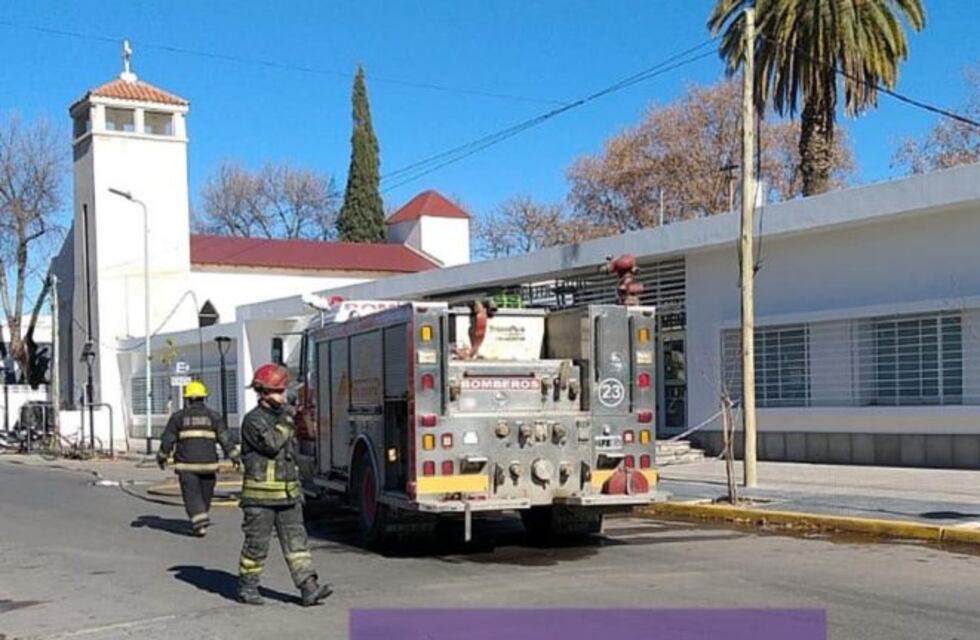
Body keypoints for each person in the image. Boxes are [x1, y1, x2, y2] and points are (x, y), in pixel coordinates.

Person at [236, 363, 332, 607]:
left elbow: (303, 436)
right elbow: (272, 443)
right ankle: (248, 587)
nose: (283, 395)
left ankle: (309, 588)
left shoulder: (284, 417)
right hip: (260, 500)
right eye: (278, 391)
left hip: (288, 495)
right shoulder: (253, 421)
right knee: (257, 545)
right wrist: (289, 418)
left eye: (283, 390)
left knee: (297, 544)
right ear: (263, 392)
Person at [157, 380, 241, 537]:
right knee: (205, 495)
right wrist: (235, 457)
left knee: (192, 495)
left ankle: (199, 521)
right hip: (208, 465)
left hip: (186, 466)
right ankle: (200, 520)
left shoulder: (178, 418)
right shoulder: (214, 417)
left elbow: (168, 439)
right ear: (204, 398)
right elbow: (225, 439)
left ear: (187, 399)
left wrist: (162, 457)